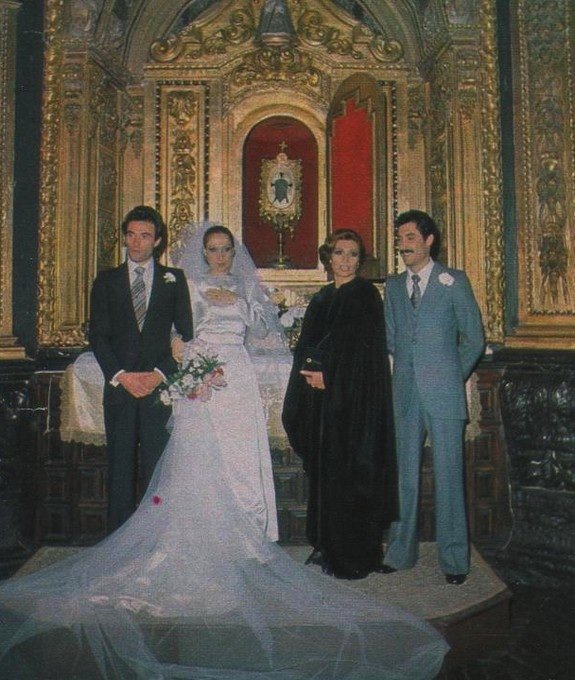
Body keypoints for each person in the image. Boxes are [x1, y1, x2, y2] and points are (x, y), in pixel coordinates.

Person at [0, 222, 448, 679]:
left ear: (235, 251)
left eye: (226, 249)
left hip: (240, 378)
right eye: (213, 249)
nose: (219, 256)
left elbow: (259, 331)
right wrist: (196, 372)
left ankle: (248, 534)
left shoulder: (245, 286)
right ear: (204, 252)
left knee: (239, 457)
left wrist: (269, 316)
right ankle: (199, 532)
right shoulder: (188, 285)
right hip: (207, 377)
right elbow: (180, 336)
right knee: (197, 458)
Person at [282, 229, 397, 580]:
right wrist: (309, 374)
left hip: (354, 405)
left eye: (352, 254)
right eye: (339, 253)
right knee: (325, 474)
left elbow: (364, 354)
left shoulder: (365, 296)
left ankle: (354, 554)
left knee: (351, 474)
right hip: (323, 405)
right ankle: (326, 545)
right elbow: (309, 347)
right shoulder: (321, 299)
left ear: (359, 261)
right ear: (327, 257)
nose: (345, 260)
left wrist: (330, 376)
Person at [381, 209, 484, 585]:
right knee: (403, 476)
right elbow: (392, 337)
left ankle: (455, 561)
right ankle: (399, 552)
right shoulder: (393, 285)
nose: (402, 245)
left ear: (428, 241)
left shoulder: (452, 281)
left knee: (449, 476)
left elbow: (473, 338)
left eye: (409, 237)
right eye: (399, 238)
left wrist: (450, 377)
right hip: (405, 393)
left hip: (444, 394)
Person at [89, 205, 193, 531]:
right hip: (121, 388)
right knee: (120, 468)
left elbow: (185, 335)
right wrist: (121, 377)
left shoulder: (173, 280)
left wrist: (158, 375)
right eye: (131, 235)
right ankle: (118, 542)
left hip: (157, 389)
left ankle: (153, 539)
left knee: (155, 468)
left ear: (157, 241)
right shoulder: (106, 281)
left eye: (144, 236)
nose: (135, 243)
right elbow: (98, 335)